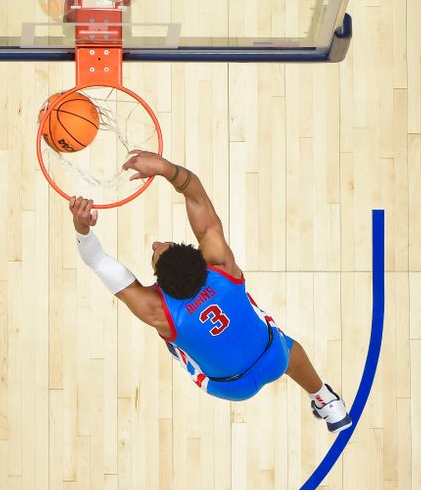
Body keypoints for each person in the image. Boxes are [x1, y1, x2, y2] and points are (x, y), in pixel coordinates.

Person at [68, 150, 352, 433]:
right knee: (285, 347)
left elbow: (98, 261)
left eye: (155, 251)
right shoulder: (221, 264)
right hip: (274, 358)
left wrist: (83, 229)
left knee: (177, 340)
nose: (155, 244)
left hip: (230, 386)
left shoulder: (157, 310)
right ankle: (326, 400)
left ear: (159, 285)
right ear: (197, 255)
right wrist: (166, 168)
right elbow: (196, 196)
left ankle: (322, 398)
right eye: (160, 247)